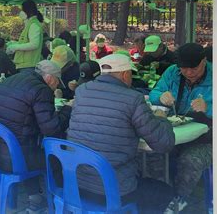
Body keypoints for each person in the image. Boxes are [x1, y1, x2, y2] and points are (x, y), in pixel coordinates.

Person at [67, 54, 175, 213]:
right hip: (113, 190)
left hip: (76, 184)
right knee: (163, 191)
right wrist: (162, 118)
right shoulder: (133, 98)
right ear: (126, 75)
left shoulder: (82, 91)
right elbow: (163, 143)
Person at [0, 60, 72, 211]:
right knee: (56, 159)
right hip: (16, 158)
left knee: (30, 146)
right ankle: (63, 203)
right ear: (50, 78)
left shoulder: (10, 80)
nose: (56, 87)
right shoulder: (41, 90)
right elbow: (52, 130)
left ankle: (35, 197)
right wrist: (67, 109)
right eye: (56, 83)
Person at [149, 43, 212, 212]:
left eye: (194, 68)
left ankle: (179, 199)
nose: (189, 73)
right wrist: (161, 97)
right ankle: (163, 195)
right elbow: (154, 93)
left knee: (190, 160)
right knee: (156, 152)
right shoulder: (172, 72)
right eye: (184, 68)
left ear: (204, 61)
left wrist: (209, 107)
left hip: (208, 138)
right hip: (177, 131)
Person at [6, 0, 44, 72]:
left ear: (27, 11)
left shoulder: (34, 25)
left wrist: (15, 47)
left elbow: (34, 44)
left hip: (29, 65)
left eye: (22, 10)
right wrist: (14, 44)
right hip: (25, 65)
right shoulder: (30, 24)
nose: (21, 12)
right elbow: (26, 41)